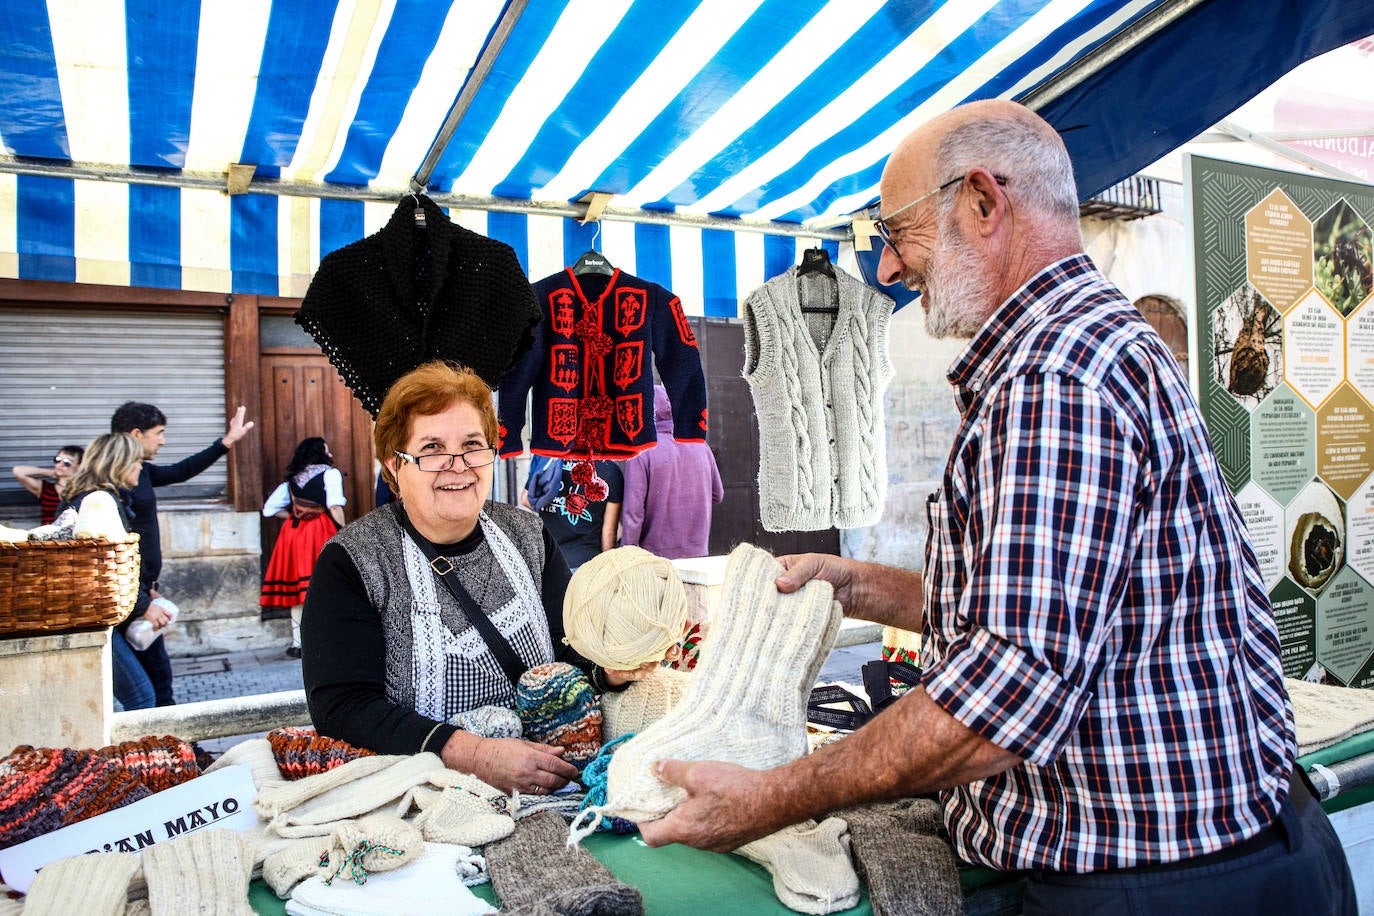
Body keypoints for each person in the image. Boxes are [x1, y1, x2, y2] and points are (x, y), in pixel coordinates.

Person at [639, 100, 1356, 915]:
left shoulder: (1055, 379)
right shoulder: (1088, 344)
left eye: (897, 232)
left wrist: (771, 797)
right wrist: (861, 585)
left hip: (1155, 887)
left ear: (982, 202)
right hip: (1193, 862)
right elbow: (1069, 619)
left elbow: (1002, 698)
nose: (888, 270)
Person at [301, 361, 633, 796]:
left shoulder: (529, 535)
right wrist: (473, 755)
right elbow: (343, 707)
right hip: (428, 797)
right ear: (393, 465)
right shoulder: (353, 562)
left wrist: (609, 668)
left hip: (552, 782)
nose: (457, 466)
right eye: (433, 448)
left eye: (473, 445)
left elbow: (569, 643)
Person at [111, 401, 255, 706]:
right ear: (137, 434)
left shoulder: (141, 472)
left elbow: (179, 471)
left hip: (142, 593)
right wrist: (139, 601)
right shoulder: (113, 485)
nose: (163, 441)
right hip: (127, 599)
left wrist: (225, 443)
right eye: (159, 433)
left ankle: (172, 747)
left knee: (159, 677)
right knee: (143, 689)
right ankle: (163, 748)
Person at [57, 433, 156, 712]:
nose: (141, 467)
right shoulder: (97, 503)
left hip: (87, 614)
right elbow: (104, 567)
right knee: (141, 697)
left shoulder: (95, 499)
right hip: (87, 616)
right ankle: (139, 757)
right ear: (120, 463)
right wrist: (144, 607)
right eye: (137, 461)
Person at [261, 437, 346, 659]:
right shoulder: (330, 473)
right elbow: (334, 505)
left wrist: (294, 514)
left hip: (294, 533)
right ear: (321, 452)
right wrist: (344, 530)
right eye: (327, 448)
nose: (330, 451)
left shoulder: (292, 480)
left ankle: (298, 643)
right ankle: (327, 639)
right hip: (320, 531)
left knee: (299, 590)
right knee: (325, 586)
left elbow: (269, 510)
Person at [620, 385, 723, 559]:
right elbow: (717, 495)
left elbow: (633, 512)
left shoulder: (643, 451)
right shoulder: (701, 445)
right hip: (698, 554)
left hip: (657, 558)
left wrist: (626, 556)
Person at [520, 458, 623, 571]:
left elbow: (525, 499)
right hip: (588, 562)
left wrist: (554, 508)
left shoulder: (548, 459)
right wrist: (609, 569)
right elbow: (609, 532)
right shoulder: (611, 471)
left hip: (550, 560)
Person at [10, 445, 84, 524]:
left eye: (67, 463)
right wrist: (52, 473)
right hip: (47, 534)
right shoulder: (46, 489)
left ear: (79, 466)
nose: (60, 465)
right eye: (58, 460)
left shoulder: (83, 491)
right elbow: (18, 471)